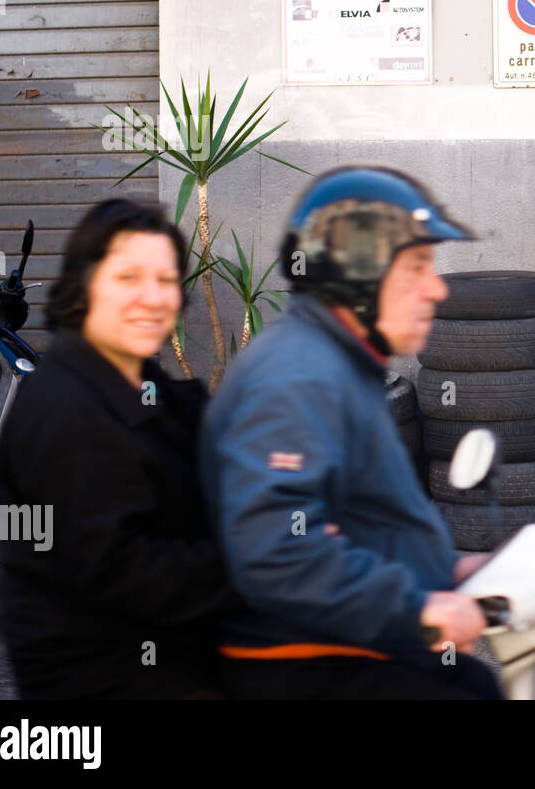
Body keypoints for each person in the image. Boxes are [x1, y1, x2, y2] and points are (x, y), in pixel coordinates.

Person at [197, 165, 502, 699]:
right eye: (416, 267)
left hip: (354, 650)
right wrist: (422, 609)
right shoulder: (297, 376)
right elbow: (277, 549)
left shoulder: (342, 366)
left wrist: (456, 570)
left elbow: (359, 524)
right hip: (309, 667)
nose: (435, 288)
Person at [0, 199, 239, 699]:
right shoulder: (65, 406)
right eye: (128, 278)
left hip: (184, 650)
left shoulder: (140, 380)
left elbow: (216, 447)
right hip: (109, 678)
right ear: (86, 285)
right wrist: (259, 563)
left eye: (166, 280)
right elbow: (127, 573)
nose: (153, 298)